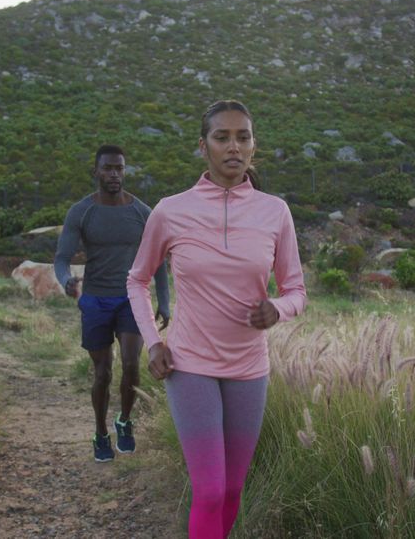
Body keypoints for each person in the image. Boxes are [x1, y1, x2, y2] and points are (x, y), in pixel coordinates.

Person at [126, 100, 307, 538]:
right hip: (190, 366)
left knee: (232, 488)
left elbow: (297, 290)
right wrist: (153, 341)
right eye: (221, 137)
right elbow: (137, 280)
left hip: (249, 368)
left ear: (253, 145)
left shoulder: (275, 211)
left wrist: (276, 308)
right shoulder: (170, 210)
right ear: (203, 146)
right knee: (208, 491)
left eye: (242, 137)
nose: (233, 146)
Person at [54, 144, 170, 463]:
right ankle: (100, 431)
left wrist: (165, 301)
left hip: (132, 298)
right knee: (102, 372)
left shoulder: (142, 212)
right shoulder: (82, 211)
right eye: (107, 168)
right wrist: (65, 280)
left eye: (119, 168)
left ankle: (125, 421)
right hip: (95, 300)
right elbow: (62, 259)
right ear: (96, 171)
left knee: (132, 364)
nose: (114, 174)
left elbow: (158, 260)